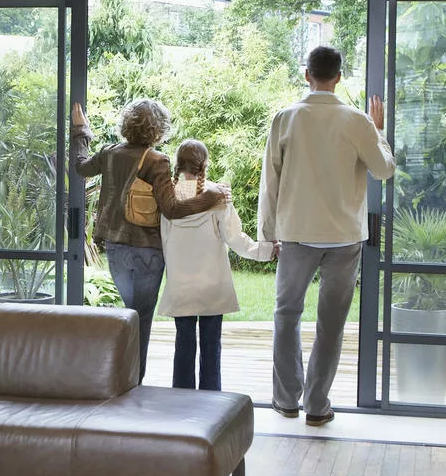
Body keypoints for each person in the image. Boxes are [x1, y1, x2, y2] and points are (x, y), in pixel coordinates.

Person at [258, 46, 395, 426]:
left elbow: (271, 183)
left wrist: (268, 234)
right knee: (330, 323)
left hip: (296, 234)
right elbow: (383, 170)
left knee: (286, 315)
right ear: (338, 77)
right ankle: (317, 406)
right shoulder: (357, 121)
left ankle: (286, 400)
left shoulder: (285, 118)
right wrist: (378, 131)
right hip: (343, 238)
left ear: (307, 75)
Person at [71, 99, 229, 383]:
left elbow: (80, 167)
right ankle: (133, 383)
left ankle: (123, 378)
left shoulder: (109, 153)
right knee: (141, 319)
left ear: (127, 124)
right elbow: (172, 209)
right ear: (157, 129)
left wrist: (81, 131)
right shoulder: (157, 161)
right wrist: (208, 198)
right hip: (147, 252)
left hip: (116, 249)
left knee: (130, 316)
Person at [157, 139, 279, 391]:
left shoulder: (167, 200)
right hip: (212, 285)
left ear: (178, 164)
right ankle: (210, 402)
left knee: (184, 345)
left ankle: (181, 400)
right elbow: (236, 240)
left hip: (181, 285)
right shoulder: (217, 196)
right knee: (211, 346)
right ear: (204, 165)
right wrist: (266, 251)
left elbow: (165, 242)